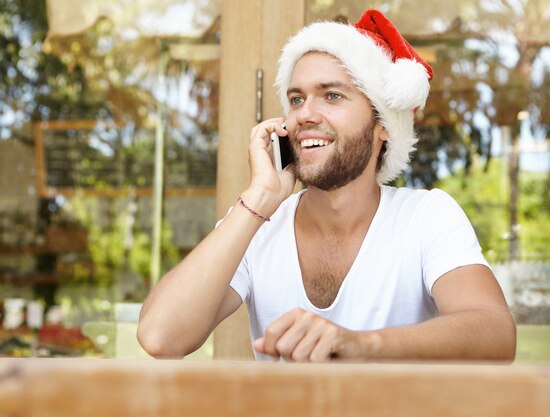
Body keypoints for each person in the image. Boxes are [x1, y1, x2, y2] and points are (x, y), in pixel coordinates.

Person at [137, 9, 516, 362]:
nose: (305, 114)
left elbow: (496, 334)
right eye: (296, 99)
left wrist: (359, 344)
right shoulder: (256, 222)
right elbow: (160, 337)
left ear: (383, 124)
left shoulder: (426, 217)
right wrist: (259, 198)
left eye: (332, 95)